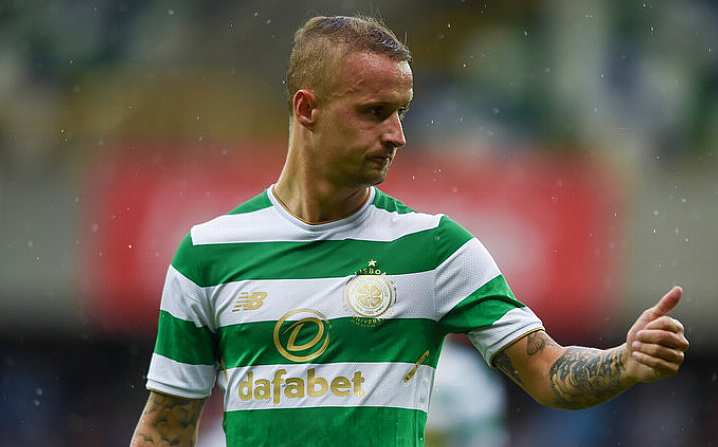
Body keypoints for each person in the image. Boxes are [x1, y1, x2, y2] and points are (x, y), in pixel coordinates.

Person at [130, 15, 689, 447]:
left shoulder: (436, 249)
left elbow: (547, 370)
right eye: (375, 112)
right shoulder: (208, 254)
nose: (397, 135)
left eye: (403, 112)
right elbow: (165, 428)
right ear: (307, 109)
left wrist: (625, 361)